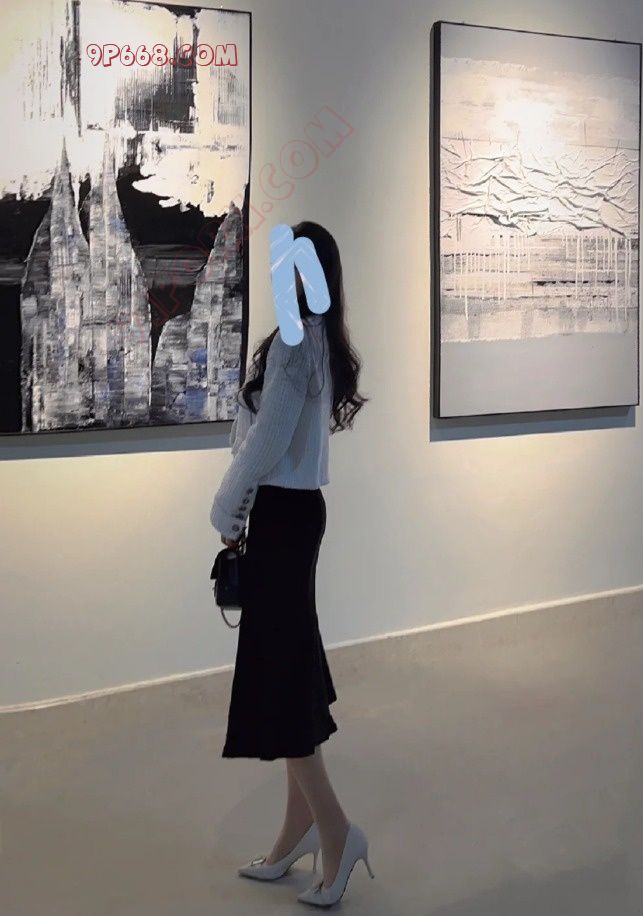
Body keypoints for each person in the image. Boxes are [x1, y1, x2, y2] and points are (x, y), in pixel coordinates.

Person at [209, 221, 374, 906]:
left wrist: (227, 510)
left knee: (280, 679)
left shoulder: (295, 343)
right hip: (297, 516)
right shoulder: (319, 340)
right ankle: (295, 832)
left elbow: (266, 444)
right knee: (289, 668)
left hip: (279, 517)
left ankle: (337, 832)